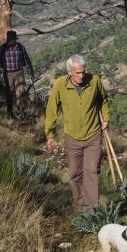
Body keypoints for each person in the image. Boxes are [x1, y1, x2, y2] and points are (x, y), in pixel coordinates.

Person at [45, 54, 110, 212]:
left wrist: (106, 118)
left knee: (92, 170)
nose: (81, 75)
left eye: (83, 72)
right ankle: (80, 206)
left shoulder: (94, 81)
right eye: (77, 73)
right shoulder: (60, 84)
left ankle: (92, 208)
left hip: (93, 133)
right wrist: (50, 134)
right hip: (72, 136)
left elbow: (103, 100)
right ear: (69, 72)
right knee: (75, 172)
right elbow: (52, 109)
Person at [0, 30, 34, 118]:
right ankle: (10, 112)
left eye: (13, 39)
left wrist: (30, 73)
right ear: (8, 39)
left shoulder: (20, 47)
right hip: (7, 74)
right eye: (11, 39)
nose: (12, 41)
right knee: (9, 93)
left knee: (21, 92)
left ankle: (21, 112)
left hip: (19, 72)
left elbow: (27, 60)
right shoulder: (2, 48)